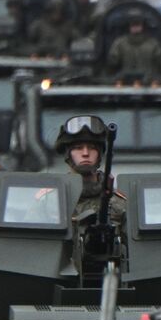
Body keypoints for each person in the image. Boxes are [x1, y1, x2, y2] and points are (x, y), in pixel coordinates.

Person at [54, 115, 126, 272]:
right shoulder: (50, 201)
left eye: (92, 148)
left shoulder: (119, 204)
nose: (85, 153)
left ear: (100, 154)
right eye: (78, 148)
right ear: (68, 154)